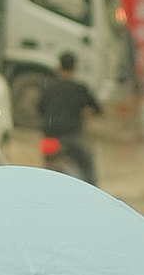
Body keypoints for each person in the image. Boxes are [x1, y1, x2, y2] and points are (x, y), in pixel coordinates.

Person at [34, 49, 100, 186]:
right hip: (72, 139)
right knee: (87, 163)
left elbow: (40, 108)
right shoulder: (80, 89)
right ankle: (93, 191)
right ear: (75, 68)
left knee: (46, 168)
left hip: (49, 138)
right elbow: (97, 109)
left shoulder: (48, 87)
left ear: (59, 67)